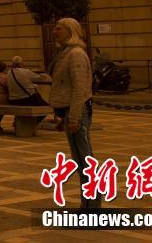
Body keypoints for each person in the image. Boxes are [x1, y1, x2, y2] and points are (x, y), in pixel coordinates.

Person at [49, 17, 100, 209]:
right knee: (79, 159)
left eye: (59, 28)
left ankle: (92, 206)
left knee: (85, 159)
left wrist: (75, 116)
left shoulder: (76, 54)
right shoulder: (65, 52)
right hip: (69, 110)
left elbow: (80, 88)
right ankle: (87, 205)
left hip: (76, 111)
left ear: (70, 31)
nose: (54, 31)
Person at [7, 56, 51, 124]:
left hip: (13, 100)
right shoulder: (26, 71)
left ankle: (19, 123)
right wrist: (44, 74)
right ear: (21, 63)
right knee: (46, 108)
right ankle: (31, 124)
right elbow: (40, 78)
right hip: (26, 99)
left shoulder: (9, 72)